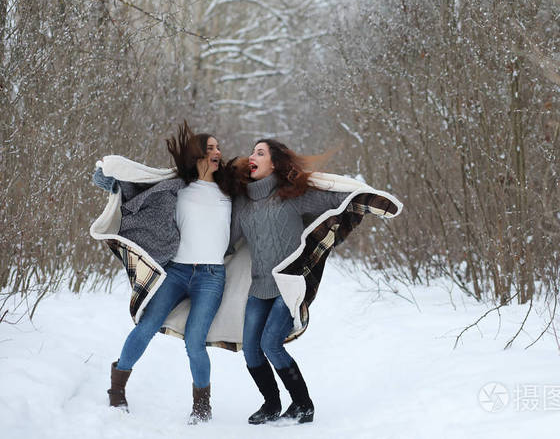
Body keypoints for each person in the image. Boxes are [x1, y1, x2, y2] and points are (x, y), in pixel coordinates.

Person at [223, 139, 403, 425]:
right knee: (251, 348)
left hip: (291, 282)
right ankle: (271, 404)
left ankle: (303, 405)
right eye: (251, 152)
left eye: (260, 152)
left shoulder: (292, 195)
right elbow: (228, 242)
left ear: (274, 163)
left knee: (271, 344)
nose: (251, 156)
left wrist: (369, 201)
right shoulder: (243, 204)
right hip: (259, 286)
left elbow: (336, 201)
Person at [91, 122, 232, 424]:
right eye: (212, 148)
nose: (218, 152)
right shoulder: (176, 187)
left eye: (219, 148)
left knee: (195, 341)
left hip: (211, 276)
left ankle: (202, 407)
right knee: (147, 324)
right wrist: (107, 174)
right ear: (197, 155)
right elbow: (126, 189)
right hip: (176, 271)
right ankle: (116, 391)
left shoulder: (230, 191)